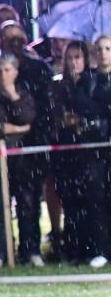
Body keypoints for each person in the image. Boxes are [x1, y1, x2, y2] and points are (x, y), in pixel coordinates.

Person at [0, 53, 42, 268]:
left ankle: (30, 251)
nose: (3, 75)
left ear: (15, 72)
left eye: (7, 70)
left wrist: (14, 98)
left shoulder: (24, 94)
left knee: (28, 204)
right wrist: (15, 129)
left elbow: (28, 118)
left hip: (23, 159)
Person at [51, 40, 101, 264]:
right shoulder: (60, 85)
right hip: (67, 152)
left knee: (92, 201)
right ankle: (74, 249)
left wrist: (82, 120)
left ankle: (95, 248)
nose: (73, 62)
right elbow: (53, 115)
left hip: (90, 152)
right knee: (70, 202)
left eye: (77, 57)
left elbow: (95, 109)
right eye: (69, 58)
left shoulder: (93, 81)